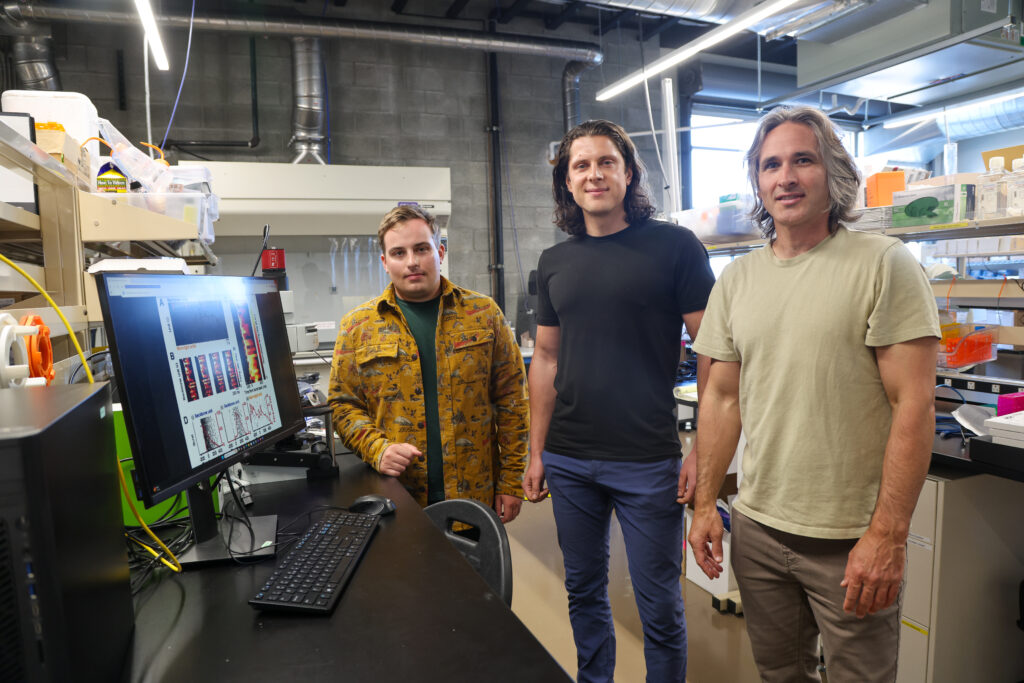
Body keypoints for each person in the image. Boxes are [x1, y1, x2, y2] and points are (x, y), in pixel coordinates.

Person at [688, 105, 940, 682]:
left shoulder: (884, 264)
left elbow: (914, 405)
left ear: (833, 172)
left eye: (804, 159)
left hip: (849, 539)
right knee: (779, 676)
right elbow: (722, 399)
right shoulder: (737, 279)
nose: (786, 177)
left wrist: (887, 535)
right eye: (771, 164)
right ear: (758, 181)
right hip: (757, 528)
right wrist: (706, 505)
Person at [523, 119, 715, 683]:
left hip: (648, 459)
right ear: (567, 182)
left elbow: (716, 355)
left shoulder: (674, 246)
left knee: (659, 604)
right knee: (583, 592)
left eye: (606, 162)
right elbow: (547, 362)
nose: (594, 174)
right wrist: (537, 452)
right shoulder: (554, 261)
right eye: (580, 165)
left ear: (628, 173)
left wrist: (703, 447)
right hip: (570, 457)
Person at [327, 205, 529, 522]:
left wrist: (512, 480)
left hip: (473, 496)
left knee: (474, 573)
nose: (412, 262)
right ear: (384, 262)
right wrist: (376, 449)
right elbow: (342, 404)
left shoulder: (484, 313)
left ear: (440, 251)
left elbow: (513, 400)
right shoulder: (358, 327)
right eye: (398, 253)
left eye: (422, 249)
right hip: (397, 501)